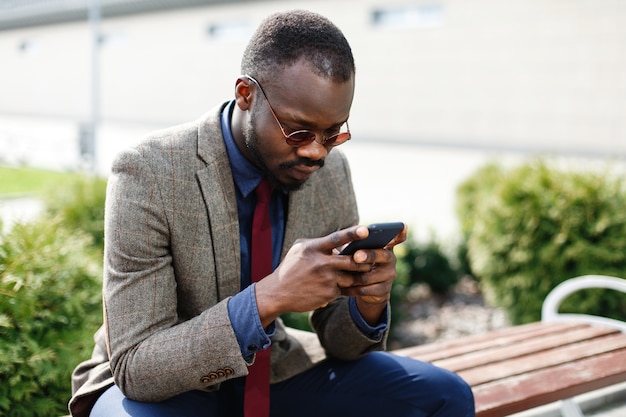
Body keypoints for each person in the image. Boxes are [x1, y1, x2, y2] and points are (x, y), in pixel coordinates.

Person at [69, 9, 475, 417]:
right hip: (160, 388)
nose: (316, 151)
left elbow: (343, 345)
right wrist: (271, 297)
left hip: (274, 370)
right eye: (298, 131)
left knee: (446, 395)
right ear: (246, 94)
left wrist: (367, 302)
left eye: (334, 133)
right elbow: (139, 368)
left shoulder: (331, 172)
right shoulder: (149, 172)